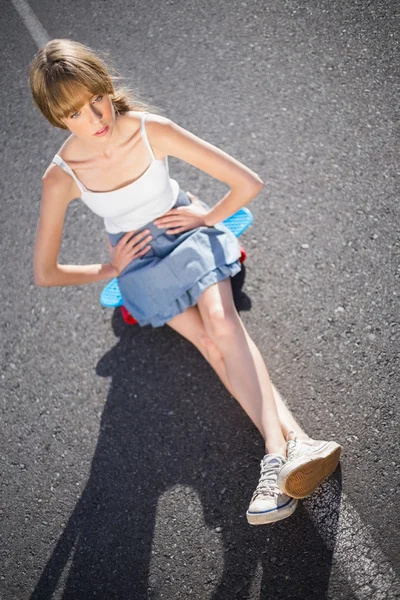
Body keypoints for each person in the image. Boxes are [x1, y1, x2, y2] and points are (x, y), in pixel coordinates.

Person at [29, 38, 342, 526]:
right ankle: (296, 445)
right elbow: (45, 273)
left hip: (183, 230)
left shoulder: (152, 130)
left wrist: (204, 217)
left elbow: (247, 182)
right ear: (56, 118)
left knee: (221, 322)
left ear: (106, 86)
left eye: (96, 99)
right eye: (74, 113)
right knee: (208, 344)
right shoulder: (61, 177)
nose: (95, 118)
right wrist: (112, 268)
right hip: (138, 265)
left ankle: (277, 451)